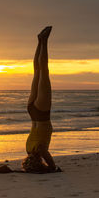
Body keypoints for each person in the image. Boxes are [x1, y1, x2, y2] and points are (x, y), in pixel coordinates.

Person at [22, 26, 59, 173]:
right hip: (31, 111)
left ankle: (44, 41)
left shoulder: (40, 150)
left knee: (44, 70)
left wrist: (50, 168)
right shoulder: (28, 149)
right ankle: (39, 41)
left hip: (42, 114)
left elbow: (51, 164)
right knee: (36, 71)